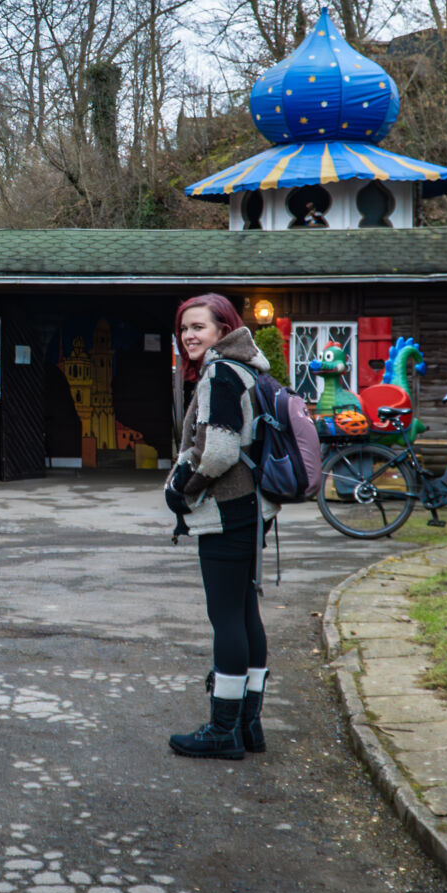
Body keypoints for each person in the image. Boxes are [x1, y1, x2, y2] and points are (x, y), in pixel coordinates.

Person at [162, 292, 278, 760]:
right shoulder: (249, 368)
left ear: (222, 329)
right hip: (253, 510)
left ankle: (223, 729)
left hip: (229, 511)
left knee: (227, 618)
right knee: (246, 615)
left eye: (199, 327)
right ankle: (249, 725)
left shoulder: (220, 374)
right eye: (184, 328)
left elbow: (220, 452)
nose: (189, 335)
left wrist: (181, 488)